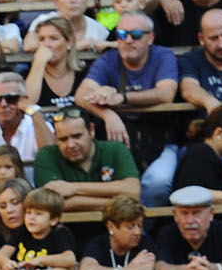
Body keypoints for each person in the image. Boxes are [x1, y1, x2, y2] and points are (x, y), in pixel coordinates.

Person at [75, 13, 181, 205]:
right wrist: (108, 115)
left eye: (136, 34)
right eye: (122, 34)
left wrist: (122, 98)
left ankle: (147, 222)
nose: (128, 40)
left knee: (158, 182)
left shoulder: (163, 55)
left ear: (151, 38)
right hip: (119, 139)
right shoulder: (109, 59)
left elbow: (166, 93)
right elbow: (81, 94)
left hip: (160, 137)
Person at [32, 108, 140, 212]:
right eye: (63, 139)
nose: (71, 145)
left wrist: (73, 188)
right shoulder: (47, 155)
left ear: (91, 131)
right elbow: (53, 203)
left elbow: (133, 191)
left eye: (77, 136)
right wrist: (118, 203)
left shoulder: (115, 149)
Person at [0, 187, 77, 270]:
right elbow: (2, 253)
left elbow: (70, 260)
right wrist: (6, 263)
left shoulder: (60, 232)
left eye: (38, 213)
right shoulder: (23, 230)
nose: (31, 217)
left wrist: (39, 260)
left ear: (53, 219)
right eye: (28, 212)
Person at [155, 184, 222, 270]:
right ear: (175, 215)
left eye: (196, 213)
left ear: (211, 213)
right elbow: (160, 268)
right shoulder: (167, 233)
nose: (190, 221)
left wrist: (217, 268)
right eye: (184, 213)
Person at [77, 194, 157, 270]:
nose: (137, 232)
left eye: (140, 226)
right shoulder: (99, 244)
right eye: (130, 227)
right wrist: (130, 269)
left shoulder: (145, 242)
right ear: (111, 226)